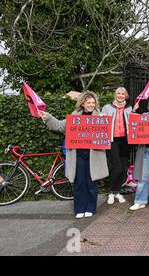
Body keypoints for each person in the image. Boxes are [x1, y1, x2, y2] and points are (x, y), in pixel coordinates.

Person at [38, 91, 109, 219]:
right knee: (79, 182)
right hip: (78, 155)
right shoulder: (74, 116)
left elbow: (109, 133)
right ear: (83, 103)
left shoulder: (100, 116)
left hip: (94, 155)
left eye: (93, 103)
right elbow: (59, 126)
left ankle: (91, 208)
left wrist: (105, 122)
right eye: (88, 102)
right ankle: (79, 209)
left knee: (92, 183)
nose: (91, 105)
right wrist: (47, 116)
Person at [102, 87, 136, 205]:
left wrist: (134, 113)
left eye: (123, 94)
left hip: (125, 141)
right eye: (118, 93)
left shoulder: (129, 108)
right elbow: (102, 122)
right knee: (117, 167)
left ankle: (116, 191)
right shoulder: (107, 107)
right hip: (113, 141)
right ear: (114, 95)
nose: (120, 95)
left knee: (123, 168)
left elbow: (133, 122)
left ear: (125, 96)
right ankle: (112, 192)